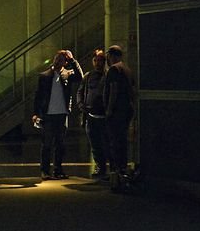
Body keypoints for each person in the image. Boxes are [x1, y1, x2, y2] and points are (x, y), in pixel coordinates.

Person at [32, 49, 83, 180]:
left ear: (65, 62)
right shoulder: (44, 76)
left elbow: (80, 77)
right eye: (57, 58)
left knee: (60, 144)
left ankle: (58, 170)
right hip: (48, 114)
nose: (58, 60)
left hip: (62, 114)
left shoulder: (67, 74)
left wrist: (73, 60)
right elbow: (38, 96)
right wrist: (36, 113)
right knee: (47, 144)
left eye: (61, 59)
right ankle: (45, 170)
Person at [103, 45, 135, 186]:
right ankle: (123, 169)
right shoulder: (127, 69)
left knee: (114, 141)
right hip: (127, 109)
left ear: (111, 55)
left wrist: (109, 109)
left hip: (116, 111)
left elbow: (113, 90)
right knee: (122, 140)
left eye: (108, 56)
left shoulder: (114, 69)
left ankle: (116, 172)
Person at [79, 49, 109, 178]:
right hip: (91, 116)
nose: (97, 63)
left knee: (106, 143)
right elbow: (80, 91)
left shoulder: (108, 76)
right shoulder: (88, 76)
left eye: (100, 60)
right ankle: (100, 167)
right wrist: (81, 105)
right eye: (96, 60)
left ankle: (109, 167)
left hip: (104, 116)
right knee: (95, 144)